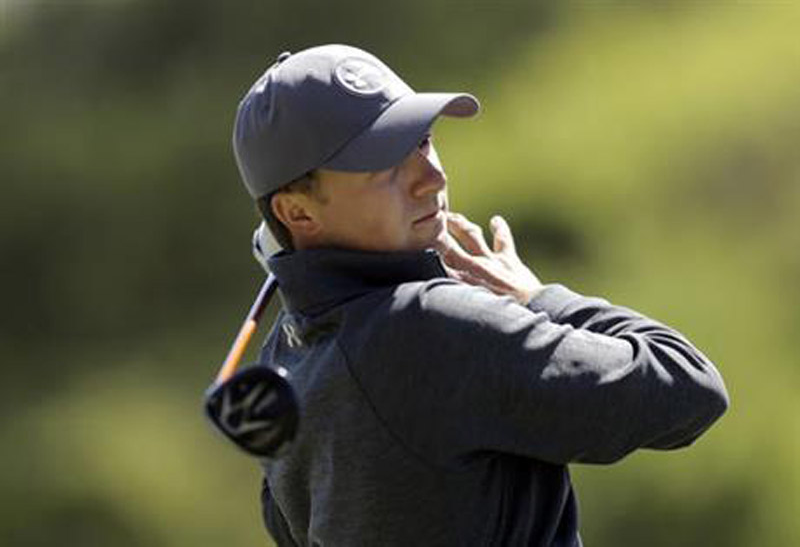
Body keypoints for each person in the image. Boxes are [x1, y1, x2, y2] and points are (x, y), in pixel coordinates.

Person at [231, 44, 729, 547]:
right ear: (297, 214)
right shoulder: (428, 326)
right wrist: (539, 298)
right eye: (383, 166)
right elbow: (688, 388)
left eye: (422, 142)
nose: (432, 178)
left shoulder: (283, 361)